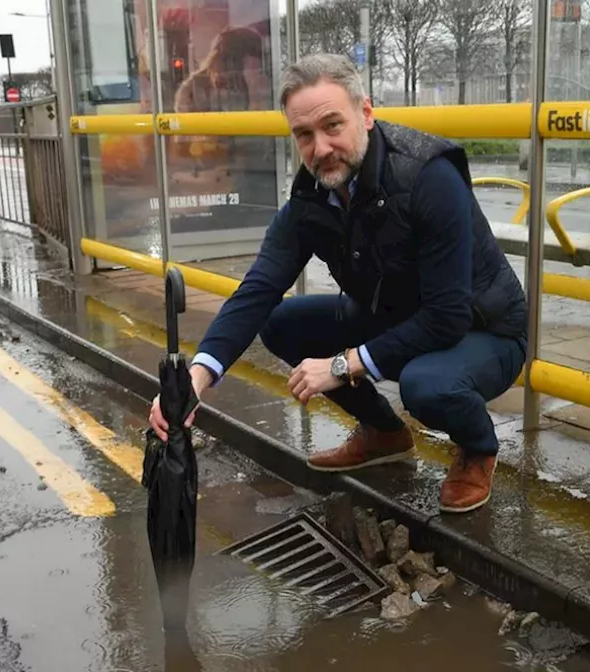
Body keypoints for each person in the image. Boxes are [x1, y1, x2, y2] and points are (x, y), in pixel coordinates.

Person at [149, 54, 528, 514]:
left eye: (333, 125)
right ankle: (384, 432)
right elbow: (258, 288)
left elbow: (446, 317)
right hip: (394, 314)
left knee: (425, 385)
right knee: (282, 322)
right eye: (304, 135)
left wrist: (343, 365)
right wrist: (196, 379)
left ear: (365, 114)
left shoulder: (429, 176)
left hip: (482, 329)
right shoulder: (311, 197)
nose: (321, 147)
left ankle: (477, 447)